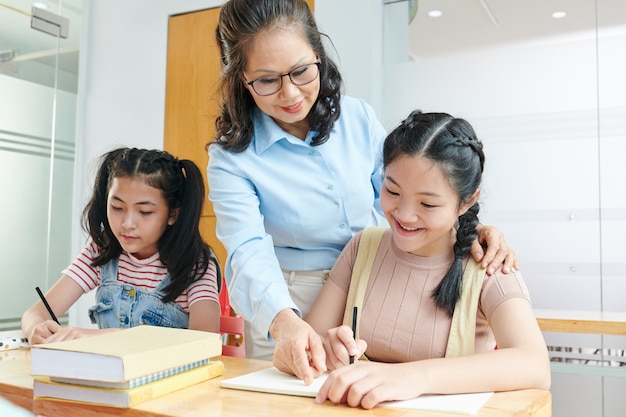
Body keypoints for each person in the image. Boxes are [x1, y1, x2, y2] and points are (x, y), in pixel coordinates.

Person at [207, 0, 518, 384]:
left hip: (371, 281)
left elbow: (406, 194)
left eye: (301, 71)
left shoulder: (355, 116)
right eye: (267, 80)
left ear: (318, 55)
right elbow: (247, 248)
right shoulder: (231, 156)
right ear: (242, 79)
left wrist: (469, 226)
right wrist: (284, 321)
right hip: (287, 298)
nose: (289, 94)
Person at [306, 110, 551, 409]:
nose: (405, 215)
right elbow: (312, 340)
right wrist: (326, 348)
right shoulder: (362, 248)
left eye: (428, 203)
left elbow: (535, 365)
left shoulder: (487, 264)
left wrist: (414, 377)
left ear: (467, 201)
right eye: (392, 190)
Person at [22, 148, 221, 345]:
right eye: (117, 208)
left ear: (172, 215)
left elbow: (203, 340)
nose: (127, 223)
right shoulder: (103, 250)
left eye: (144, 212)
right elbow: (36, 312)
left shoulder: (195, 264)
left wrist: (99, 336)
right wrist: (35, 328)